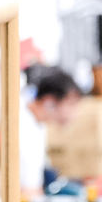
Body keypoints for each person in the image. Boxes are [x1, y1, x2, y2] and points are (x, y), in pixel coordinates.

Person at [20, 66, 81, 194]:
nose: (75, 114)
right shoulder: (23, 125)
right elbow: (29, 191)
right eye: (71, 104)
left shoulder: (38, 126)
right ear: (49, 101)